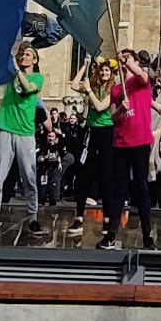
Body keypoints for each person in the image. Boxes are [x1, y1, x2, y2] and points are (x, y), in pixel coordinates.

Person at [0, 41, 44, 232]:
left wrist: (17, 70)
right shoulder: (11, 75)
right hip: (6, 128)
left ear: (35, 59)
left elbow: (28, 89)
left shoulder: (38, 77)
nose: (23, 56)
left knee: (29, 176)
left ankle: (33, 216)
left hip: (26, 132)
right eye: (22, 54)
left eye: (27, 54)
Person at [106, 50, 160, 249]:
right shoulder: (116, 89)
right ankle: (110, 234)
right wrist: (121, 107)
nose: (123, 61)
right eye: (121, 59)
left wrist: (129, 62)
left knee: (141, 188)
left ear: (135, 61)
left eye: (127, 58)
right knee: (119, 190)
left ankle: (147, 236)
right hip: (120, 143)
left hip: (140, 142)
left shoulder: (140, 82)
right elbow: (113, 118)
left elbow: (144, 76)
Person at [70, 58, 121, 234]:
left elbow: (100, 107)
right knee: (84, 174)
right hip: (91, 132)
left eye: (107, 71)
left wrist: (90, 90)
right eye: (102, 70)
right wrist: (84, 66)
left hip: (107, 132)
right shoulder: (94, 84)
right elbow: (74, 85)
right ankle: (78, 217)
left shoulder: (113, 90)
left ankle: (107, 220)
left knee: (106, 178)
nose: (104, 73)